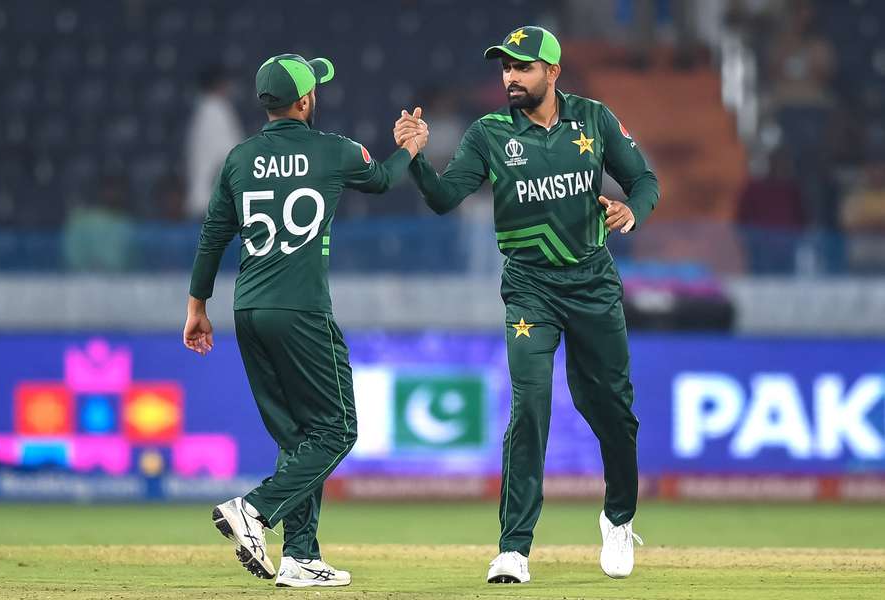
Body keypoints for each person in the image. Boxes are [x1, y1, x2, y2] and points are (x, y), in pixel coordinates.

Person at [394, 26, 659, 582]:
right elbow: (444, 199)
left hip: (593, 284)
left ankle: (618, 518)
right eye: (505, 68)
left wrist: (631, 211)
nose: (510, 77)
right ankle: (513, 548)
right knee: (530, 406)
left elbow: (644, 180)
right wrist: (416, 159)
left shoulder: (594, 119)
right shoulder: (489, 133)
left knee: (612, 408)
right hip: (528, 289)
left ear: (553, 72)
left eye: (522, 67)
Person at [184, 53, 426, 588]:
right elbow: (384, 180)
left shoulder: (239, 158)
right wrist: (409, 149)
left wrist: (198, 306)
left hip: (248, 309)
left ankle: (300, 556)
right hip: (302, 311)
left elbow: (211, 236)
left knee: (299, 438)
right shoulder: (333, 151)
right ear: (305, 100)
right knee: (339, 429)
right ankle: (253, 511)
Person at [184, 65, 245, 220]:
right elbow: (230, 158)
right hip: (213, 206)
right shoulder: (216, 110)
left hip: (204, 202)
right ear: (219, 83)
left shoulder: (203, 109)